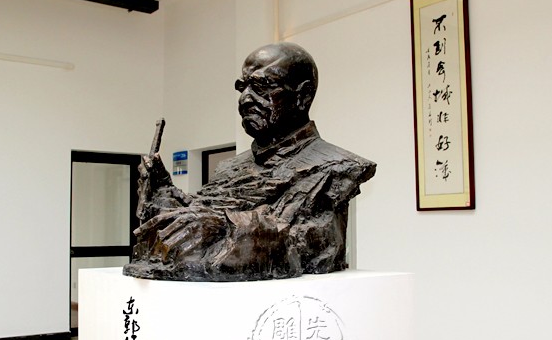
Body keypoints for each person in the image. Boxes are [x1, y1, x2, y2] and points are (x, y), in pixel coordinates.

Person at [122, 42, 376, 282]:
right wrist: (162, 191)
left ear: (303, 95)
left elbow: (301, 242)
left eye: (262, 86)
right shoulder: (228, 169)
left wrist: (222, 226)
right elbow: (196, 217)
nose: (245, 98)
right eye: (242, 87)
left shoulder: (336, 167)